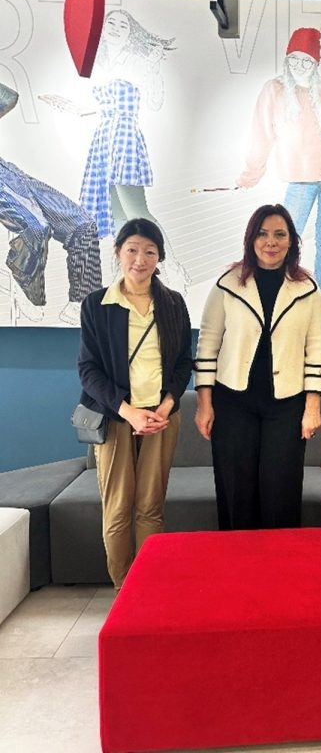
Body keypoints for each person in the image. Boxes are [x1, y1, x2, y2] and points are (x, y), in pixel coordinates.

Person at [194, 203, 321, 530]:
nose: (271, 242)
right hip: (233, 402)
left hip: (287, 405)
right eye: (263, 234)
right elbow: (208, 343)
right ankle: (238, 559)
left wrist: (312, 406)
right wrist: (204, 404)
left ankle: (278, 560)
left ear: (291, 241)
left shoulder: (308, 288)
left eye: (280, 234)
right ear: (251, 239)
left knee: (281, 493)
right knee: (236, 492)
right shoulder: (227, 284)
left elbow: (317, 349)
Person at [77, 218, 192, 590]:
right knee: (117, 509)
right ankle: (124, 590)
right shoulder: (97, 305)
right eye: (132, 250)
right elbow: (88, 370)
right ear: (118, 252)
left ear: (159, 257)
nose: (140, 260)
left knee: (150, 507)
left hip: (161, 417)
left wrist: (167, 406)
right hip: (115, 417)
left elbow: (183, 363)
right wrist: (127, 411)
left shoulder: (173, 303)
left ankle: (148, 588)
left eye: (149, 252)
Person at [237, 27, 321, 291]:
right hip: (300, 179)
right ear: (287, 60)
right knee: (285, 238)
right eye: (295, 59)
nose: (300, 66)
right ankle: (281, 289)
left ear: (315, 65)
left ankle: (319, 292)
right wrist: (250, 175)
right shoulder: (274, 89)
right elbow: (261, 134)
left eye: (307, 61)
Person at [78, 9, 189, 292]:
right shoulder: (98, 62)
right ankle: (129, 274)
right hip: (104, 139)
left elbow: (154, 101)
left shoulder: (138, 61)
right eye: (111, 22)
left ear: (131, 33)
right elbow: (93, 105)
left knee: (137, 211)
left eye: (123, 25)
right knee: (116, 214)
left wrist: (152, 70)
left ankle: (172, 267)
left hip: (124, 138)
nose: (115, 28)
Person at [1, 82, 101, 324]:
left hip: (9, 173)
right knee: (37, 226)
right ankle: (27, 287)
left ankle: (82, 301)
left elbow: (10, 97)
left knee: (83, 224)